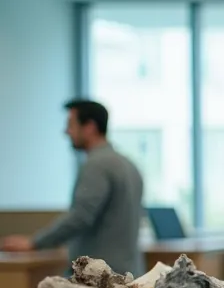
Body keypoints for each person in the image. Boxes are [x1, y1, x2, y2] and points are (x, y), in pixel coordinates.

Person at [3, 100, 145, 274]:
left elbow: (80, 217)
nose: (66, 131)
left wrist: (34, 242)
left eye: (71, 125)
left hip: (99, 280)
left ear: (90, 127)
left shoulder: (97, 165)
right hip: (127, 274)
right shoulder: (128, 164)